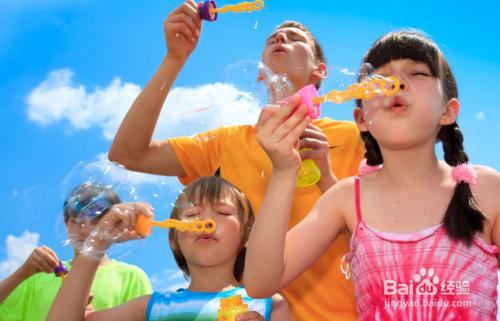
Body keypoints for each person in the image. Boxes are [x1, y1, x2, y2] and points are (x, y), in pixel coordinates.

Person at [108, 1, 364, 319]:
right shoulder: (227, 143)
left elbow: (385, 235)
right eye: (272, 39)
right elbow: (127, 154)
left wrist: (327, 180)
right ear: (259, 73)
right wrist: (175, 58)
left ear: (320, 70)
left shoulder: (357, 137)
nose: (280, 39)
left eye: (294, 38)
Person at [244, 30, 500, 320]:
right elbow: (259, 281)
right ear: (361, 119)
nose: (395, 83)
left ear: (447, 111)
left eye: (417, 73)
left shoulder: (485, 188)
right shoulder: (346, 197)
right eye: (379, 77)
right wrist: (283, 171)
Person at [47, 176, 289, 321]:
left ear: (248, 235)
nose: (205, 220)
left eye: (223, 212)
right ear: (174, 239)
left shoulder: (269, 304)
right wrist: (99, 242)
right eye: (192, 213)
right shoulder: (151, 308)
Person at [0, 183, 152, 321]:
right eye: (78, 220)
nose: (85, 229)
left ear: (116, 223)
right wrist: (23, 272)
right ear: (66, 221)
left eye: (96, 222)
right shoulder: (39, 276)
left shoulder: (131, 277)